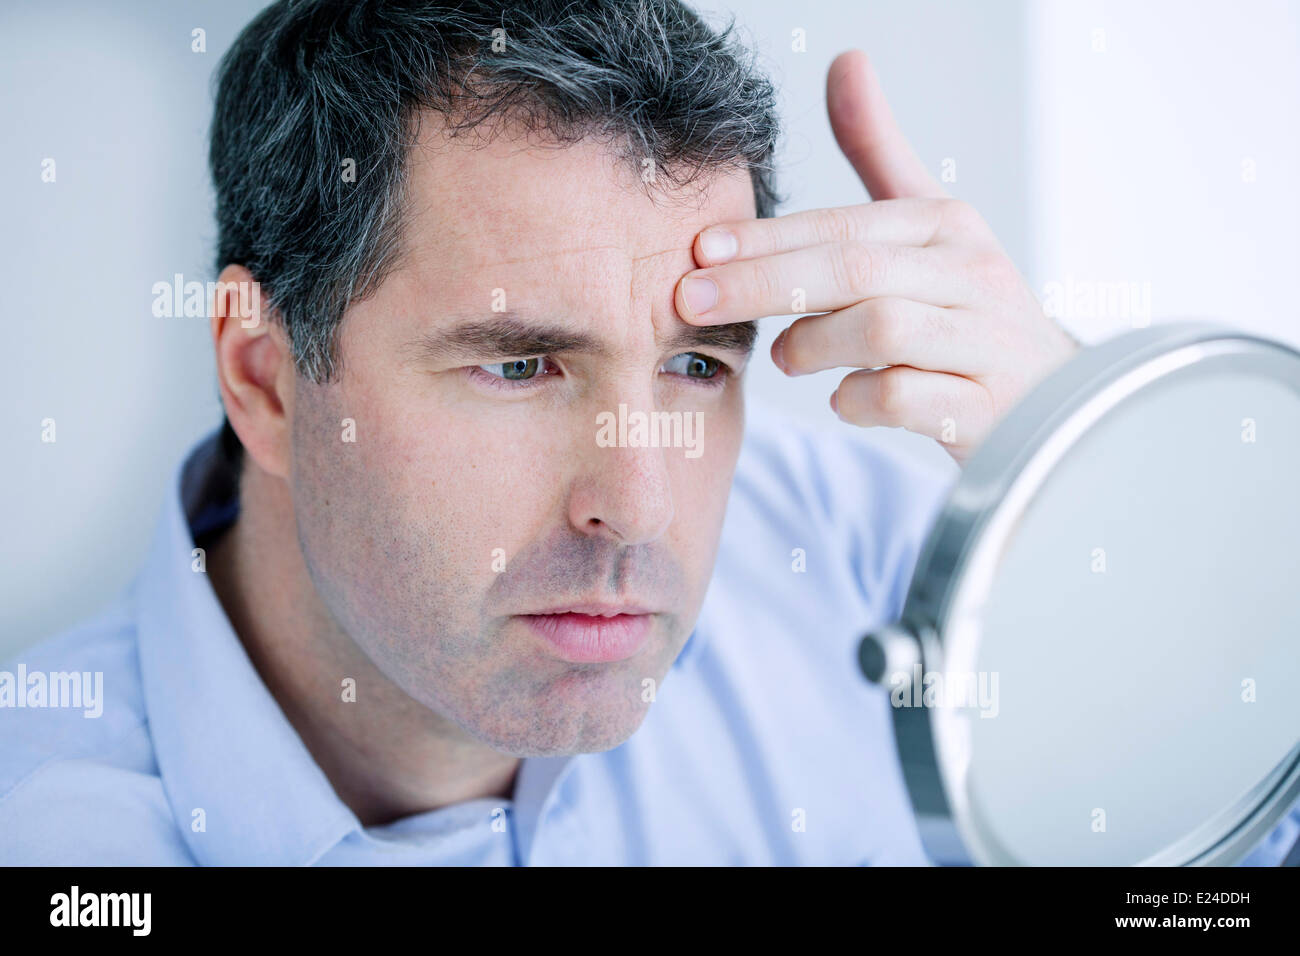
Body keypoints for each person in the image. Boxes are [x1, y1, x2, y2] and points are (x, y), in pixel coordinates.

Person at [3, 0, 1290, 865]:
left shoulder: (854, 546)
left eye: (691, 364)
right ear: (264, 372)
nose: (638, 504)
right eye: (520, 363)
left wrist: (1113, 492)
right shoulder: (49, 824)